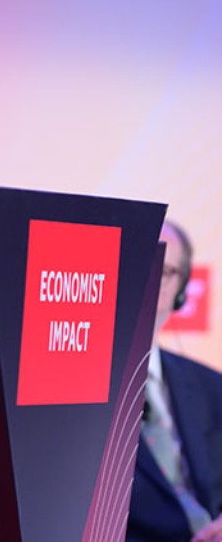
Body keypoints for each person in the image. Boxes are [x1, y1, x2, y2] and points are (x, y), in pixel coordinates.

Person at [127, 220, 222, 542]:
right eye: (137, 266)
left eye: (163, 271)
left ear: (182, 291)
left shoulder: (212, 387)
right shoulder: (68, 394)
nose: (147, 280)